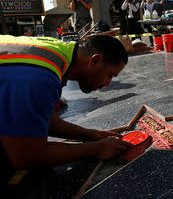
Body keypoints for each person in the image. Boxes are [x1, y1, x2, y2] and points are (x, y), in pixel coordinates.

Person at [0, 35, 132, 185]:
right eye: (110, 75)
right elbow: (25, 156)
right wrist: (96, 149)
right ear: (95, 61)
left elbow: (37, 115)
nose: (108, 84)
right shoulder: (40, 76)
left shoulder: (56, 52)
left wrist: (88, 134)